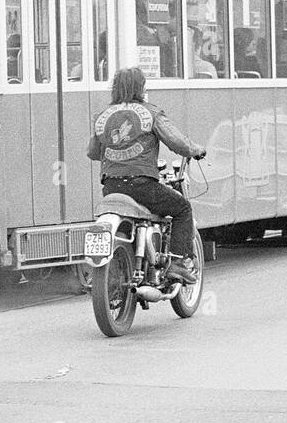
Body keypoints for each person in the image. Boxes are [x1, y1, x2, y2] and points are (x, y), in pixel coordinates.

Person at [87, 67, 207, 284]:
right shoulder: (151, 113)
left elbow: (93, 153)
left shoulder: (102, 117)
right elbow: (176, 142)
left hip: (111, 186)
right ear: (140, 88)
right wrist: (195, 150)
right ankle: (177, 263)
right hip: (142, 185)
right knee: (182, 209)